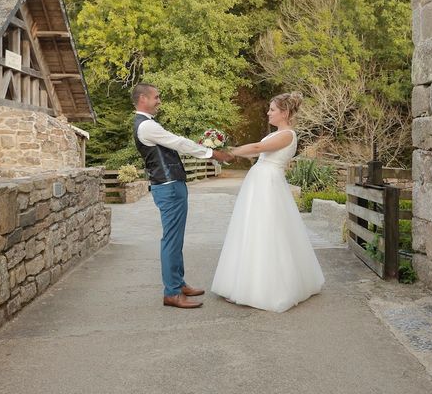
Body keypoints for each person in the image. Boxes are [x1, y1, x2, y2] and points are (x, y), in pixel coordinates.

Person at [211, 92, 325, 312]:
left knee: (267, 229)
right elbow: (257, 151)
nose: (268, 112)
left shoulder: (287, 135)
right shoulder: (276, 134)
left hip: (268, 184)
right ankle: (243, 282)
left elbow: (256, 149)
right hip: (259, 181)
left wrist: (228, 153)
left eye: (272, 109)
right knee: (252, 228)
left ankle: (266, 287)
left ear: (284, 113)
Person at [132, 83, 233, 309]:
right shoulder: (146, 126)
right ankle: (172, 293)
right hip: (168, 187)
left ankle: (178, 283)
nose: (159, 101)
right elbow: (178, 142)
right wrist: (211, 153)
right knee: (171, 240)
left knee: (175, 239)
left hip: (170, 185)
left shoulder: (148, 124)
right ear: (142, 99)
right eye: (156, 97)